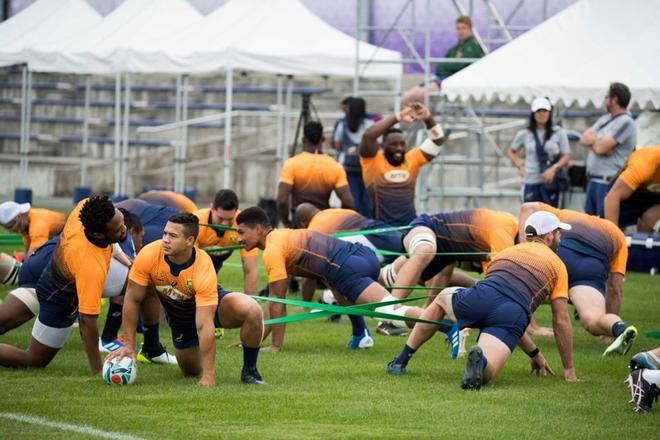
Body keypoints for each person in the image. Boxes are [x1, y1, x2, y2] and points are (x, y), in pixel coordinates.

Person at [387, 211, 576, 389]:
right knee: (488, 372)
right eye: (559, 233)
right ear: (549, 236)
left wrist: (535, 353)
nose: (560, 238)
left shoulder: (506, 252)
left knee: (443, 296)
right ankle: (481, 363)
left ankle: (400, 361)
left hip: (481, 298)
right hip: (512, 315)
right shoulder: (558, 266)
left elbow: (495, 299)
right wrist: (568, 370)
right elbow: (561, 319)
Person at [236, 207, 443, 353]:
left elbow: (277, 301)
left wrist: (275, 345)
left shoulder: (272, 250)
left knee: (392, 313)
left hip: (347, 268)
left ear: (259, 229)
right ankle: (360, 334)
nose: (238, 239)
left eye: (241, 232)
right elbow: (276, 301)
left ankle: (449, 323)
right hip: (363, 256)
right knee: (334, 284)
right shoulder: (283, 235)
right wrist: (253, 340)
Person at [108, 213, 266, 387]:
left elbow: (204, 324)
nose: (166, 240)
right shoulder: (149, 254)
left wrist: (208, 375)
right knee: (191, 371)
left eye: (173, 236)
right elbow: (132, 300)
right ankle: (159, 347)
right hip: (180, 319)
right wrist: (129, 345)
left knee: (252, 309)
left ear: (189, 241)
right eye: (165, 233)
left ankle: (250, 371)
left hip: (209, 308)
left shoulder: (203, 264)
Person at [0, 196, 127, 374]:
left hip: (47, 263)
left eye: (121, 221)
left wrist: (127, 260)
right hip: (57, 295)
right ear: (98, 234)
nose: (125, 228)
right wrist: (99, 370)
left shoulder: (87, 206)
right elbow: (87, 322)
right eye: (118, 229)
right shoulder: (90, 267)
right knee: (34, 360)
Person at [518, 202, 637, 356]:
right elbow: (615, 288)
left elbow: (527, 207)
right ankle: (620, 328)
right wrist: (606, 335)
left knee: (523, 293)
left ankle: (507, 331)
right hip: (590, 269)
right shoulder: (617, 234)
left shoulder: (565, 214)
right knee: (593, 319)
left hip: (562, 251)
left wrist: (525, 250)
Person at [386, 209, 518, 306]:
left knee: (418, 277)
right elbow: (500, 282)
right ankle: (389, 313)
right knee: (424, 251)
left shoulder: (513, 232)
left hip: (449, 253)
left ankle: (428, 311)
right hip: (428, 227)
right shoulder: (504, 234)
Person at [360, 103, 445, 226]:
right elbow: (368, 136)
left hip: (409, 225)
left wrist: (427, 117)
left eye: (402, 144)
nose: (399, 148)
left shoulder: (412, 158)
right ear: (382, 146)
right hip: (380, 228)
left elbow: (437, 141)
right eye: (393, 144)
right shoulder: (372, 161)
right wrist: (398, 117)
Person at [277, 121, 353, 227]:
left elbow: (281, 201)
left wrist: (286, 222)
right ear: (322, 139)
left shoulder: (291, 164)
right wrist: (339, 222)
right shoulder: (335, 166)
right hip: (324, 222)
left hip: (299, 222)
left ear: (303, 140)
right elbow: (348, 203)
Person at [580, 82, 637, 217]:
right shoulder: (605, 119)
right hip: (593, 181)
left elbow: (600, 148)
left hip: (608, 183)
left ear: (614, 99)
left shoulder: (626, 122)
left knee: (605, 230)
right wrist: (600, 142)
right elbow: (583, 139)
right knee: (589, 227)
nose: (604, 100)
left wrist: (596, 142)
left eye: (606, 97)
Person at [402, 16, 484, 107]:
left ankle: (427, 119)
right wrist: (445, 65)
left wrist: (446, 66)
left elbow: (460, 65)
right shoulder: (456, 47)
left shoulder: (473, 46)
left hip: (452, 82)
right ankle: (417, 119)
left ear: (470, 29)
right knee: (407, 97)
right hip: (439, 79)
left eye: (464, 28)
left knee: (422, 95)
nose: (460, 31)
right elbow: (444, 64)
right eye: (458, 28)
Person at [507, 97, 570, 207]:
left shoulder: (559, 132)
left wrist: (553, 169)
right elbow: (511, 151)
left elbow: (566, 156)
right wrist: (520, 167)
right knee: (530, 215)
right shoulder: (525, 133)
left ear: (549, 113)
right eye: (538, 111)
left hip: (551, 182)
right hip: (531, 180)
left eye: (545, 111)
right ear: (533, 114)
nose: (542, 114)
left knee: (552, 217)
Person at [193, 189, 258, 295]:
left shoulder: (244, 226)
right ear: (212, 208)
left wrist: (251, 302)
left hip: (218, 261)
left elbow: (250, 270)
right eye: (220, 218)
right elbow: (189, 265)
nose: (224, 224)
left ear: (236, 211)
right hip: (198, 261)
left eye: (230, 219)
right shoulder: (196, 222)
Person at [333, 97, 374, 217]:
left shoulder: (342, 124)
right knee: (367, 197)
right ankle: (367, 221)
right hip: (366, 166)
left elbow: (337, 145)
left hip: (349, 166)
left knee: (353, 196)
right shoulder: (369, 124)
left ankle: (355, 221)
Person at [604, 146, 660, 231]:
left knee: (649, 219)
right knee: (610, 230)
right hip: (627, 194)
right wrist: (613, 237)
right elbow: (612, 197)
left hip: (653, 195)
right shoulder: (645, 162)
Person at [0, 201, 66, 257]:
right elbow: (27, 253)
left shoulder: (37, 226)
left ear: (18, 217)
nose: (9, 231)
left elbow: (33, 259)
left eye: (10, 227)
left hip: (67, 237)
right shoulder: (25, 223)